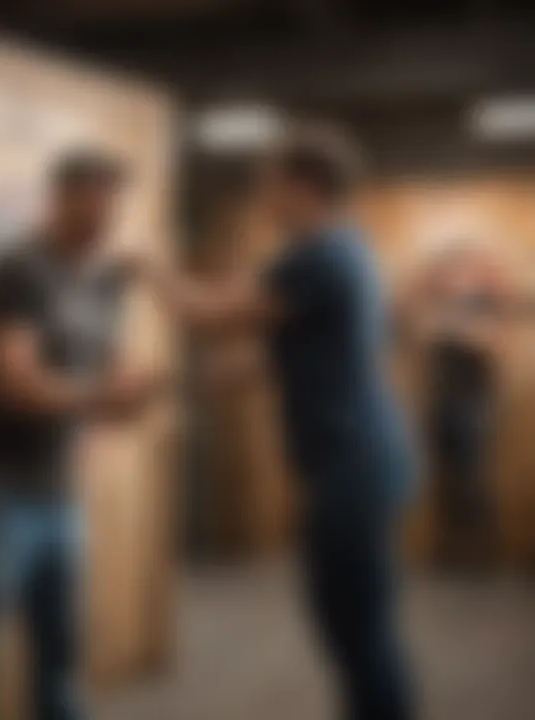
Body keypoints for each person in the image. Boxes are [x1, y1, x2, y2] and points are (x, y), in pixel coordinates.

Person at [134, 130, 416, 720]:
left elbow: (208, 312)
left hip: (351, 461)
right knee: (354, 618)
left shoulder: (313, 255)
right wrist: (244, 370)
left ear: (304, 187)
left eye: (270, 183)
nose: (263, 195)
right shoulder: (347, 248)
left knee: (352, 621)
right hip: (362, 456)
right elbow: (315, 343)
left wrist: (146, 265)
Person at [0, 152, 163, 720]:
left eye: (113, 200)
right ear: (61, 198)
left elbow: (106, 376)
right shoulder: (18, 269)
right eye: (93, 197)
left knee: (62, 660)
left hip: (57, 494)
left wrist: (130, 397)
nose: (105, 213)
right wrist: (102, 399)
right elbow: (12, 384)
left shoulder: (105, 282)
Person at [399, 244, 511, 570]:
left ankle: (481, 553)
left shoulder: (483, 308)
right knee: (444, 476)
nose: (453, 278)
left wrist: (454, 330)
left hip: (474, 404)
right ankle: (451, 550)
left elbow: (495, 346)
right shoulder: (436, 308)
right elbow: (416, 335)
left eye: (460, 270)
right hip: (441, 400)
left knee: (471, 476)